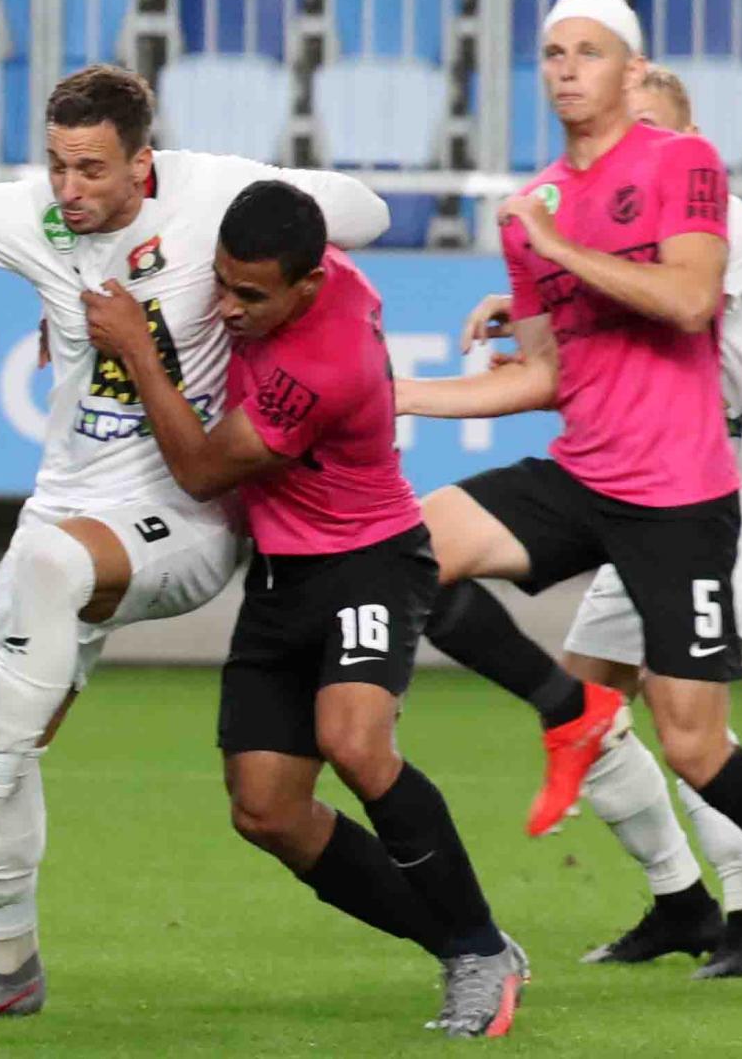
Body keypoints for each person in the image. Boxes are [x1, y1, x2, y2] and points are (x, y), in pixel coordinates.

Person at [0, 65, 391, 1020]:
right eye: (58, 165)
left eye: (91, 170)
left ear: (144, 162)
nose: (69, 190)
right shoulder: (31, 216)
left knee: (50, 580)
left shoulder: (215, 194)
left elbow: (368, 213)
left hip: (187, 519)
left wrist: (293, 213)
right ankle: (6, 968)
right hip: (65, 504)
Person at [396, 0, 742, 985]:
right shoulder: (546, 204)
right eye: (554, 53)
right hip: (596, 474)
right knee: (414, 552)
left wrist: (560, 259)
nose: (570, 73)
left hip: (715, 492)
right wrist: (400, 390)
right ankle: (662, 867)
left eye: (591, 56)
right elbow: (554, 367)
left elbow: (683, 299)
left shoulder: (701, 193)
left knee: (693, 738)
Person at [81, 181, 527, 1040]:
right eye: (222, 283)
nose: (229, 307)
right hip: (283, 575)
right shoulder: (313, 269)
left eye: (251, 296)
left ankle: (475, 950)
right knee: (265, 811)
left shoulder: (325, 363)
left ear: (309, 285)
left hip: (370, 561)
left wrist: (137, 349)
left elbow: (203, 470)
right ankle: (465, 943)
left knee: (355, 743)